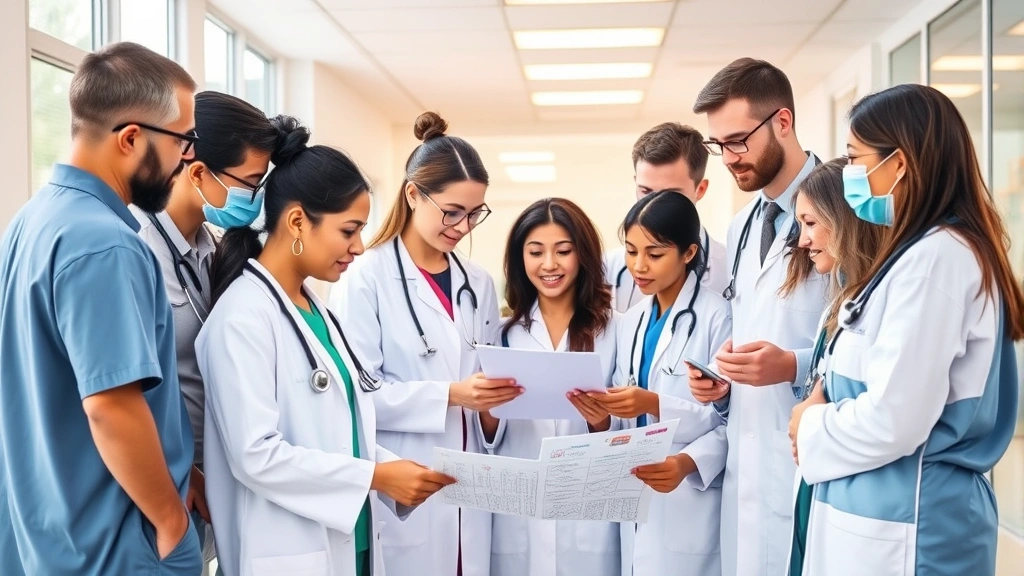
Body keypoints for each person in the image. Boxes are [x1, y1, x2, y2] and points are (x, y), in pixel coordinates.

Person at [195, 119, 455, 576]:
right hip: (286, 551)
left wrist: (397, 471)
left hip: (347, 545)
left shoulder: (316, 310)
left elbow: (339, 433)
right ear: (298, 221)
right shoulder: (242, 318)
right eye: (348, 231)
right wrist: (376, 476)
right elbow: (256, 454)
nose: (358, 247)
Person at [790, 84, 1024, 576]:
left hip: (910, 527)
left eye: (856, 158)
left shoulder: (937, 260)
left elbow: (894, 419)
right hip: (886, 518)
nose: (849, 172)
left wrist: (809, 425)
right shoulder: (918, 256)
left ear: (898, 164)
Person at [0, 42, 202, 574]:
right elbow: (110, 406)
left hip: (49, 533)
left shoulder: (31, 221)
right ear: (131, 138)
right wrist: (169, 522)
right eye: (184, 139)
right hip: (116, 544)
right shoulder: (104, 244)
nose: (188, 157)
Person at [330, 112, 519, 576]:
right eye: (451, 211)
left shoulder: (477, 281)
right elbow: (356, 395)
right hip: (404, 485)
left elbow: (485, 377)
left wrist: (494, 404)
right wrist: (453, 394)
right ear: (414, 194)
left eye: (475, 213)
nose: (463, 225)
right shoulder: (364, 276)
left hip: (471, 489)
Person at [132, 90, 288, 570]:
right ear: (197, 171)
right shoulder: (138, 249)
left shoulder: (210, 246)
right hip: (159, 492)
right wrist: (173, 497)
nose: (255, 198)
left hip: (206, 484)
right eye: (250, 183)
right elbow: (123, 395)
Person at [687, 57, 828, 576]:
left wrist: (791, 365)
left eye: (738, 140)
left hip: (808, 454)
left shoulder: (845, 214)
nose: (727, 157)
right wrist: (723, 383)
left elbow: (868, 336)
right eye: (718, 144)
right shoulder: (744, 224)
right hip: (748, 462)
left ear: (783, 122)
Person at [590, 191, 731, 576]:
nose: (639, 266)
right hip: (634, 495)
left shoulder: (718, 318)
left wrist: (685, 462)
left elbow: (730, 420)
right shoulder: (630, 321)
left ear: (688, 253)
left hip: (689, 502)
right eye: (631, 251)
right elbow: (624, 417)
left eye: (654, 254)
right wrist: (601, 417)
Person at [487, 197, 620, 576]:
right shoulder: (501, 335)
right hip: (519, 518)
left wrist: (602, 423)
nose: (549, 265)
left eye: (563, 251)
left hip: (590, 519)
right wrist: (488, 410)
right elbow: (488, 441)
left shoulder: (616, 331)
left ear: (584, 256)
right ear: (519, 259)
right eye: (535, 252)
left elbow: (634, 428)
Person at [768, 158, 884, 575]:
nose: (802, 241)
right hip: (819, 489)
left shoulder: (880, 303)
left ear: (846, 220)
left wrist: (810, 418)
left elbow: (888, 414)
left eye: (811, 224)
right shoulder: (843, 302)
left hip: (861, 502)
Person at [604, 123, 728, 312]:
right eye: (645, 191)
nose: (654, 206)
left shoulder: (730, 269)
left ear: (700, 190)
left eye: (670, 194)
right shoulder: (608, 270)